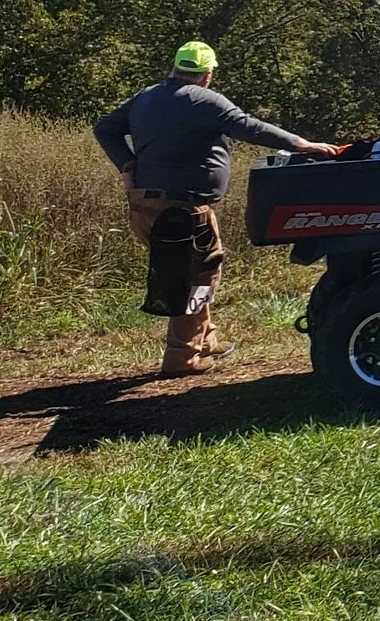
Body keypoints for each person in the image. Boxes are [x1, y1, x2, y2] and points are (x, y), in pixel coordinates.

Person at [93, 41, 343, 375]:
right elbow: (249, 126)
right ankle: (182, 356)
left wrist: (127, 165)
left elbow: (104, 129)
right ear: (207, 74)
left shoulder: (147, 96)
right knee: (193, 279)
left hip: (148, 205)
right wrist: (302, 144)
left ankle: (205, 339)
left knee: (201, 270)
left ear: (176, 67)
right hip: (181, 209)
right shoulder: (203, 99)